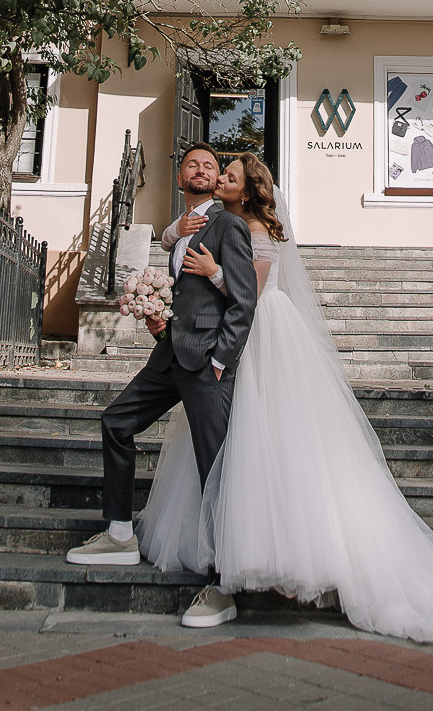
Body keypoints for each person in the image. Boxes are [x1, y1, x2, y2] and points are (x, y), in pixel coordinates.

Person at [137, 153, 433, 653]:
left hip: (262, 336)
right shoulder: (222, 220)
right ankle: (237, 550)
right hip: (227, 337)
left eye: (230, 176)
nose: (218, 179)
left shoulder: (257, 230)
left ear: (249, 190)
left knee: (264, 439)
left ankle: (272, 552)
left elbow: (249, 295)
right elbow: (172, 237)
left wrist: (216, 272)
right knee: (230, 442)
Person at [65, 141, 257, 629]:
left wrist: (220, 360)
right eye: (192, 164)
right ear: (180, 177)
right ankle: (119, 533)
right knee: (116, 422)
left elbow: (244, 301)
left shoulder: (229, 226)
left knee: (214, 466)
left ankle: (223, 585)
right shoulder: (180, 230)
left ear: (217, 180)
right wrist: (161, 320)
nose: (201, 170)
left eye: (210, 165)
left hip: (206, 363)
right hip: (170, 353)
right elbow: (187, 294)